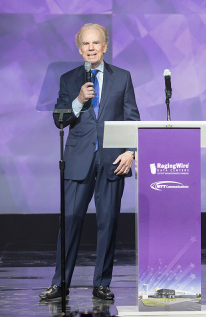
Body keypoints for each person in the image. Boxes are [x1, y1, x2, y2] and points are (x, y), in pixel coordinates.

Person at [39, 23, 140, 301]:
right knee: (70, 220)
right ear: (79, 47)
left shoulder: (122, 77)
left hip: (112, 161)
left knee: (108, 223)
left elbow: (133, 118)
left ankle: (102, 283)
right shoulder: (69, 79)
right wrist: (78, 100)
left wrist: (131, 151)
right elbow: (59, 119)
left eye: (96, 43)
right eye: (86, 44)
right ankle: (60, 284)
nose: (91, 48)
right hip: (78, 159)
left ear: (105, 47)